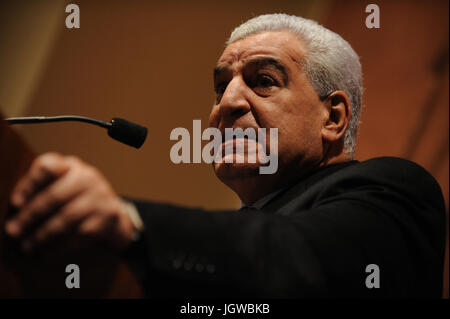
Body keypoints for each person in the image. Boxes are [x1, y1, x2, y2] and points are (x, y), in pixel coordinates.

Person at [5, 14, 446, 298]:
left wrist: (131, 223)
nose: (226, 103)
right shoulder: (234, 236)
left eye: (265, 80)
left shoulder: (394, 189)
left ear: (332, 117)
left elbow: (302, 260)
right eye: (221, 86)